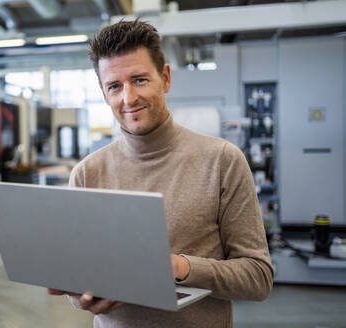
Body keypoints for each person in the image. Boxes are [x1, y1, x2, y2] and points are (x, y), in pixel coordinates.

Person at [49, 19, 274, 328]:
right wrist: (79, 294)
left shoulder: (222, 161)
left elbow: (258, 277)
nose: (128, 98)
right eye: (114, 86)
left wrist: (179, 267)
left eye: (139, 80)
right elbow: (79, 274)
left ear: (165, 78)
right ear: (104, 94)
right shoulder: (87, 173)